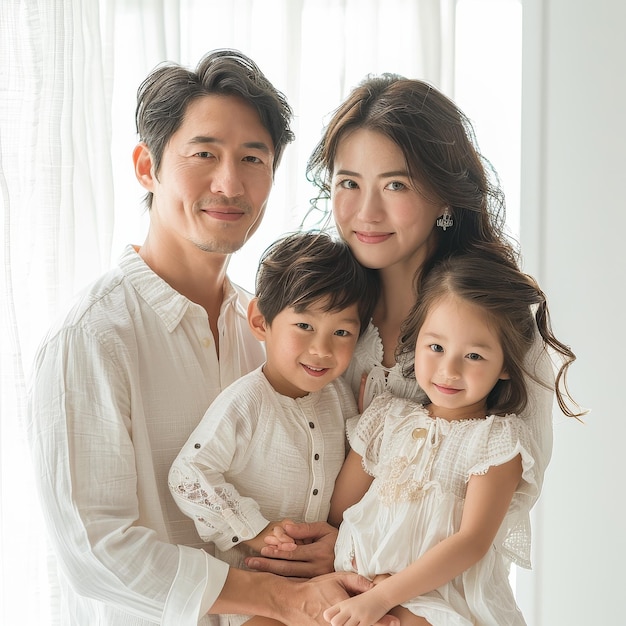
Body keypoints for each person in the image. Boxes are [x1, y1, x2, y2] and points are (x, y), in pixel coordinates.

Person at [27, 49, 393, 626]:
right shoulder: (91, 338)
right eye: (204, 154)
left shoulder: (281, 331)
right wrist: (281, 599)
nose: (229, 182)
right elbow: (95, 551)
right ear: (147, 167)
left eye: (253, 158)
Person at [245, 73, 556, 578]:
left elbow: (513, 491)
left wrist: (359, 552)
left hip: (432, 596)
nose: (366, 212)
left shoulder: (495, 317)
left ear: (446, 197)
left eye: (395, 184)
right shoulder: (316, 313)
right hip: (311, 584)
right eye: (349, 183)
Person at [267, 254, 585, 625]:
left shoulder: (496, 442)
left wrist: (387, 594)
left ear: (504, 367)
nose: (449, 370)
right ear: (415, 343)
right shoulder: (386, 418)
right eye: (436, 348)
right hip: (355, 587)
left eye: (474, 355)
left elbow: (472, 542)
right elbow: (340, 511)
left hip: (439, 597)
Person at [169, 231, 379, 626]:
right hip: (258, 591)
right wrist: (254, 528)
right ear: (260, 321)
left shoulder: (338, 397)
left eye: (342, 333)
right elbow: (187, 476)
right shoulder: (246, 401)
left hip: (323, 580)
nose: (322, 348)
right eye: (304, 325)